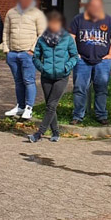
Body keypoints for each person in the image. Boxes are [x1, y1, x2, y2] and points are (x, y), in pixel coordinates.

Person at [29, 11, 79, 142]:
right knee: (50, 106)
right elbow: (35, 57)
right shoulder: (42, 39)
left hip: (61, 77)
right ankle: (56, 132)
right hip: (46, 76)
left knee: (51, 105)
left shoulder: (67, 38)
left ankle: (39, 133)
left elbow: (74, 56)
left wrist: (66, 67)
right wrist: (42, 68)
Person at [68, 0, 111, 126]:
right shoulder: (78, 19)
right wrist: (75, 54)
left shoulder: (108, 20)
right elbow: (71, 37)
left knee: (101, 89)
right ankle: (78, 115)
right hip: (82, 61)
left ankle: (101, 115)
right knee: (80, 89)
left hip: (102, 61)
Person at [3, 0, 47, 119]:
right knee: (18, 81)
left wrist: (33, 50)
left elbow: (42, 34)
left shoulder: (37, 14)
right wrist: (6, 49)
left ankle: (29, 107)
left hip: (28, 54)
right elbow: (6, 32)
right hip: (13, 53)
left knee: (29, 81)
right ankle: (20, 106)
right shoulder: (11, 12)